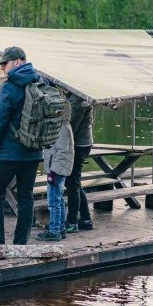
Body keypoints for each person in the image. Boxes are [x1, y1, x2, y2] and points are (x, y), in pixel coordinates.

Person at [0, 46, 42, 245]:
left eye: (5, 64)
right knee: (26, 197)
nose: (2, 69)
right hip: (33, 153)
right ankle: (20, 244)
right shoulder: (41, 82)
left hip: (7, 154)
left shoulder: (9, 88)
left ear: (18, 61)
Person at [36, 104, 74, 241]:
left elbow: (62, 152)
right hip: (57, 168)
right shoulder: (63, 126)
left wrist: (53, 171)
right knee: (58, 199)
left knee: (53, 202)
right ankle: (61, 229)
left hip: (57, 170)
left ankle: (54, 231)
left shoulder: (63, 128)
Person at [65, 93, 94, 232]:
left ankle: (71, 222)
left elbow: (70, 126)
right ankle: (86, 219)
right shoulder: (79, 96)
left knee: (72, 183)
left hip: (79, 144)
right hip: (83, 142)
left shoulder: (77, 98)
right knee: (75, 181)